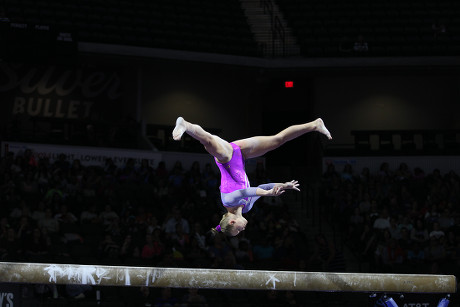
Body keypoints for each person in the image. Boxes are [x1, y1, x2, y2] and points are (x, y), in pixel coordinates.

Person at [172, 116, 332, 236]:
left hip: (226, 158)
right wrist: (284, 185)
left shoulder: (227, 201)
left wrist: (268, 194)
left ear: (232, 221)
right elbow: (262, 187)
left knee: (207, 141)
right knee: (277, 140)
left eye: (238, 230)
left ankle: (185, 124)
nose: (242, 230)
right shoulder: (247, 207)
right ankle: (314, 125)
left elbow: (245, 192)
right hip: (240, 154)